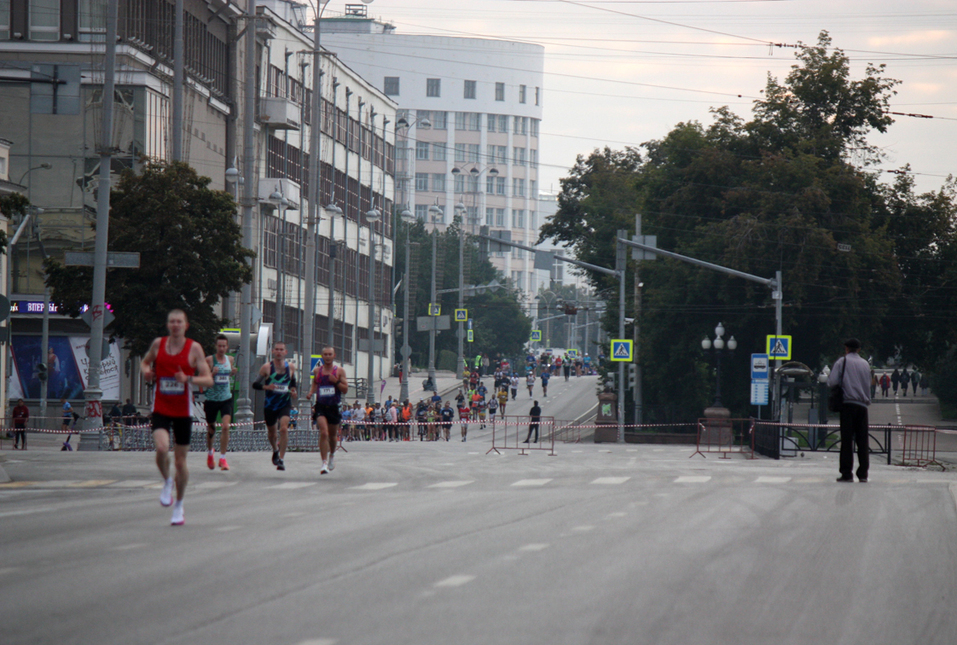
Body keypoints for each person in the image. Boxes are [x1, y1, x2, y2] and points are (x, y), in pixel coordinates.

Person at [140, 309, 214, 525]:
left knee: (181, 462)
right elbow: (145, 362)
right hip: (161, 407)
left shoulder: (194, 348)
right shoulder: (158, 344)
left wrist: (188, 379)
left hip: (183, 411)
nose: (175, 325)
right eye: (171, 321)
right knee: (162, 448)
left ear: (186, 325)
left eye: (179, 322)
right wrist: (145, 371)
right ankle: (167, 481)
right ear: (168, 324)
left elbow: (208, 380)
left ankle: (179, 506)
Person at [828, 338, 871, 483]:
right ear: (859, 349)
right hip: (862, 406)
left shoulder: (842, 362)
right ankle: (863, 474)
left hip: (847, 405)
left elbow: (832, 381)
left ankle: (847, 473)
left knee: (847, 440)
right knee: (862, 440)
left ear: (846, 348)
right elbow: (868, 385)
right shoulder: (866, 364)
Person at [253, 341, 298, 471]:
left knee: (284, 429)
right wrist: (267, 386)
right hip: (270, 405)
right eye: (276, 349)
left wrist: (293, 390)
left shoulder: (290, 367)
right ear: (273, 352)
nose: (279, 352)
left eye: (281, 350)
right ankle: (275, 449)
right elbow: (255, 384)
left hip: (284, 403)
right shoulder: (266, 367)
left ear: (285, 352)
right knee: (272, 434)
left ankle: (281, 459)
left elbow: (292, 382)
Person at [308, 346, 348, 474]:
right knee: (324, 432)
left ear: (334, 355)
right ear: (322, 356)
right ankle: (324, 463)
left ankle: (331, 455)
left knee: (332, 436)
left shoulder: (339, 371)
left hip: (334, 406)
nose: (328, 356)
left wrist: (335, 381)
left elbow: (345, 389)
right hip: (320, 406)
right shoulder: (317, 370)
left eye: (330, 354)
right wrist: (310, 393)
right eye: (325, 354)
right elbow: (315, 382)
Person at [202, 335, 236, 471]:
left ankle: (223, 458)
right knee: (211, 429)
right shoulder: (209, 360)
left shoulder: (230, 359)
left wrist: (232, 372)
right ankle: (210, 453)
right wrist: (212, 374)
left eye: (224, 346)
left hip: (226, 398)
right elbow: (203, 379)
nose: (222, 348)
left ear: (227, 347)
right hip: (211, 399)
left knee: (226, 427)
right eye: (219, 346)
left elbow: (229, 375)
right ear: (216, 346)